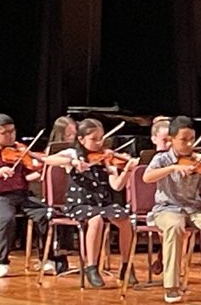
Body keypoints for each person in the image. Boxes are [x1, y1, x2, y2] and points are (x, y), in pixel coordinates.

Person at [142, 116, 201, 304]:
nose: (189, 143)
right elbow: (147, 177)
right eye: (184, 140)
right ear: (172, 139)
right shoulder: (162, 159)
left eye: (192, 139)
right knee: (175, 226)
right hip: (167, 209)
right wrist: (173, 167)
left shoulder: (196, 161)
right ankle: (171, 285)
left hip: (193, 210)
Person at [43, 118, 136, 288]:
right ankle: (91, 267)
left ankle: (126, 266)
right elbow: (47, 160)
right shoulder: (73, 154)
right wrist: (71, 162)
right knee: (96, 219)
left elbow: (117, 185)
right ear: (81, 139)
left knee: (125, 220)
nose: (99, 142)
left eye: (101, 138)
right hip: (79, 204)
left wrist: (128, 171)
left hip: (102, 204)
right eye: (94, 139)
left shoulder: (105, 158)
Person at [0, 114, 51, 278]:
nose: (10, 136)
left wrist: (40, 169)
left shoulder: (19, 151)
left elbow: (29, 174)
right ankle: (1, 262)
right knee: (7, 219)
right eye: (5, 133)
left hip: (22, 195)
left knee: (46, 214)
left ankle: (47, 258)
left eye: (12, 131)